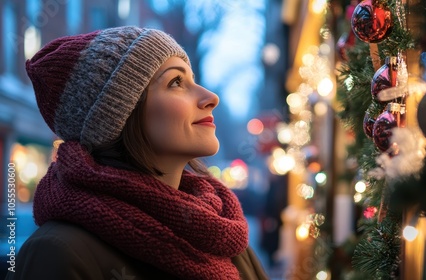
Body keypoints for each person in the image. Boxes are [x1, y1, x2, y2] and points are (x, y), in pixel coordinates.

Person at [5, 26, 268, 280]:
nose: (211, 97)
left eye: (192, 79)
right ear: (119, 116)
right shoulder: (59, 254)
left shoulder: (222, 233)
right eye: (176, 82)